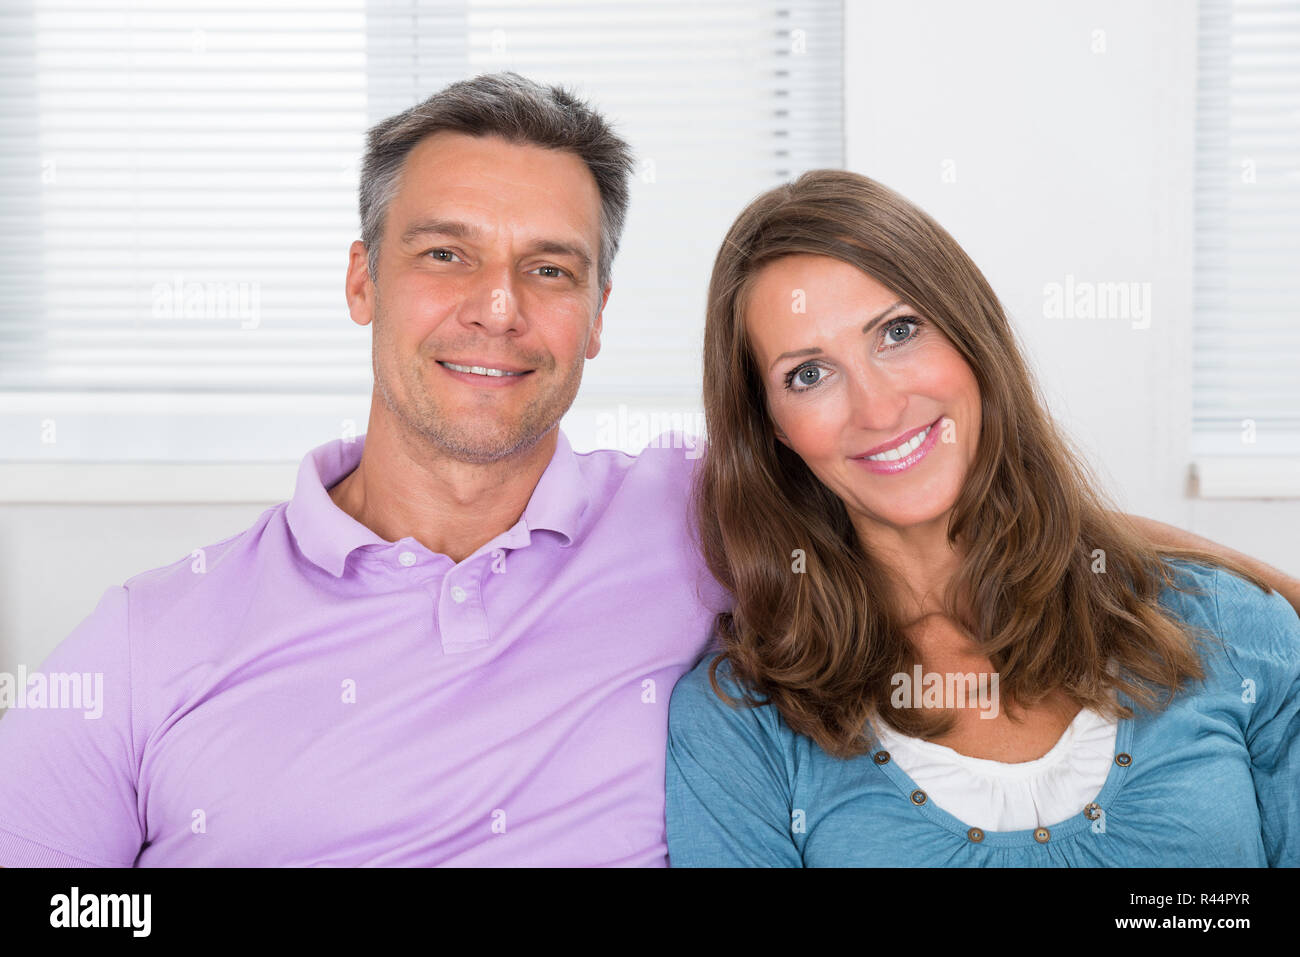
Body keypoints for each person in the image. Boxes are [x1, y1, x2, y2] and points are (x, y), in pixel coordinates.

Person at [0, 74, 1294, 868]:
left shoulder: (703, 508)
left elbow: (922, 472)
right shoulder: (140, 640)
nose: (498, 307)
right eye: (446, 252)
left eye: (550, 267)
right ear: (362, 279)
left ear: (600, 312)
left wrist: (1233, 579)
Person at [665, 168, 1300, 867]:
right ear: (772, 428)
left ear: (972, 336)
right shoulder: (739, 726)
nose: (878, 409)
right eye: (808, 374)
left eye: (898, 331)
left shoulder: (1234, 630)